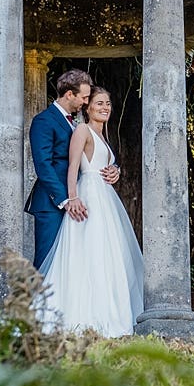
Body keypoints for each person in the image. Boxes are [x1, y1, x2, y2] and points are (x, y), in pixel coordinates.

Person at [38, 85, 144, 335]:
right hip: (87, 197)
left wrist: (115, 170)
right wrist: (72, 198)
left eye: (108, 103)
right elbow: (73, 166)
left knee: (108, 254)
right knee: (87, 252)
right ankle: (83, 314)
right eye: (99, 103)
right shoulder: (82, 130)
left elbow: (103, 163)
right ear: (87, 107)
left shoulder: (103, 135)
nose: (105, 107)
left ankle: (111, 312)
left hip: (105, 198)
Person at [25, 69, 92, 270]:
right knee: (48, 261)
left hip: (78, 200)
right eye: (84, 97)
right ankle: (39, 302)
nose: (86, 102)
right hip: (52, 203)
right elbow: (43, 165)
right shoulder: (43, 121)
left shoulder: (76, 122)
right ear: (69, 94)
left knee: (71, 262)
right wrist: (65, 200)